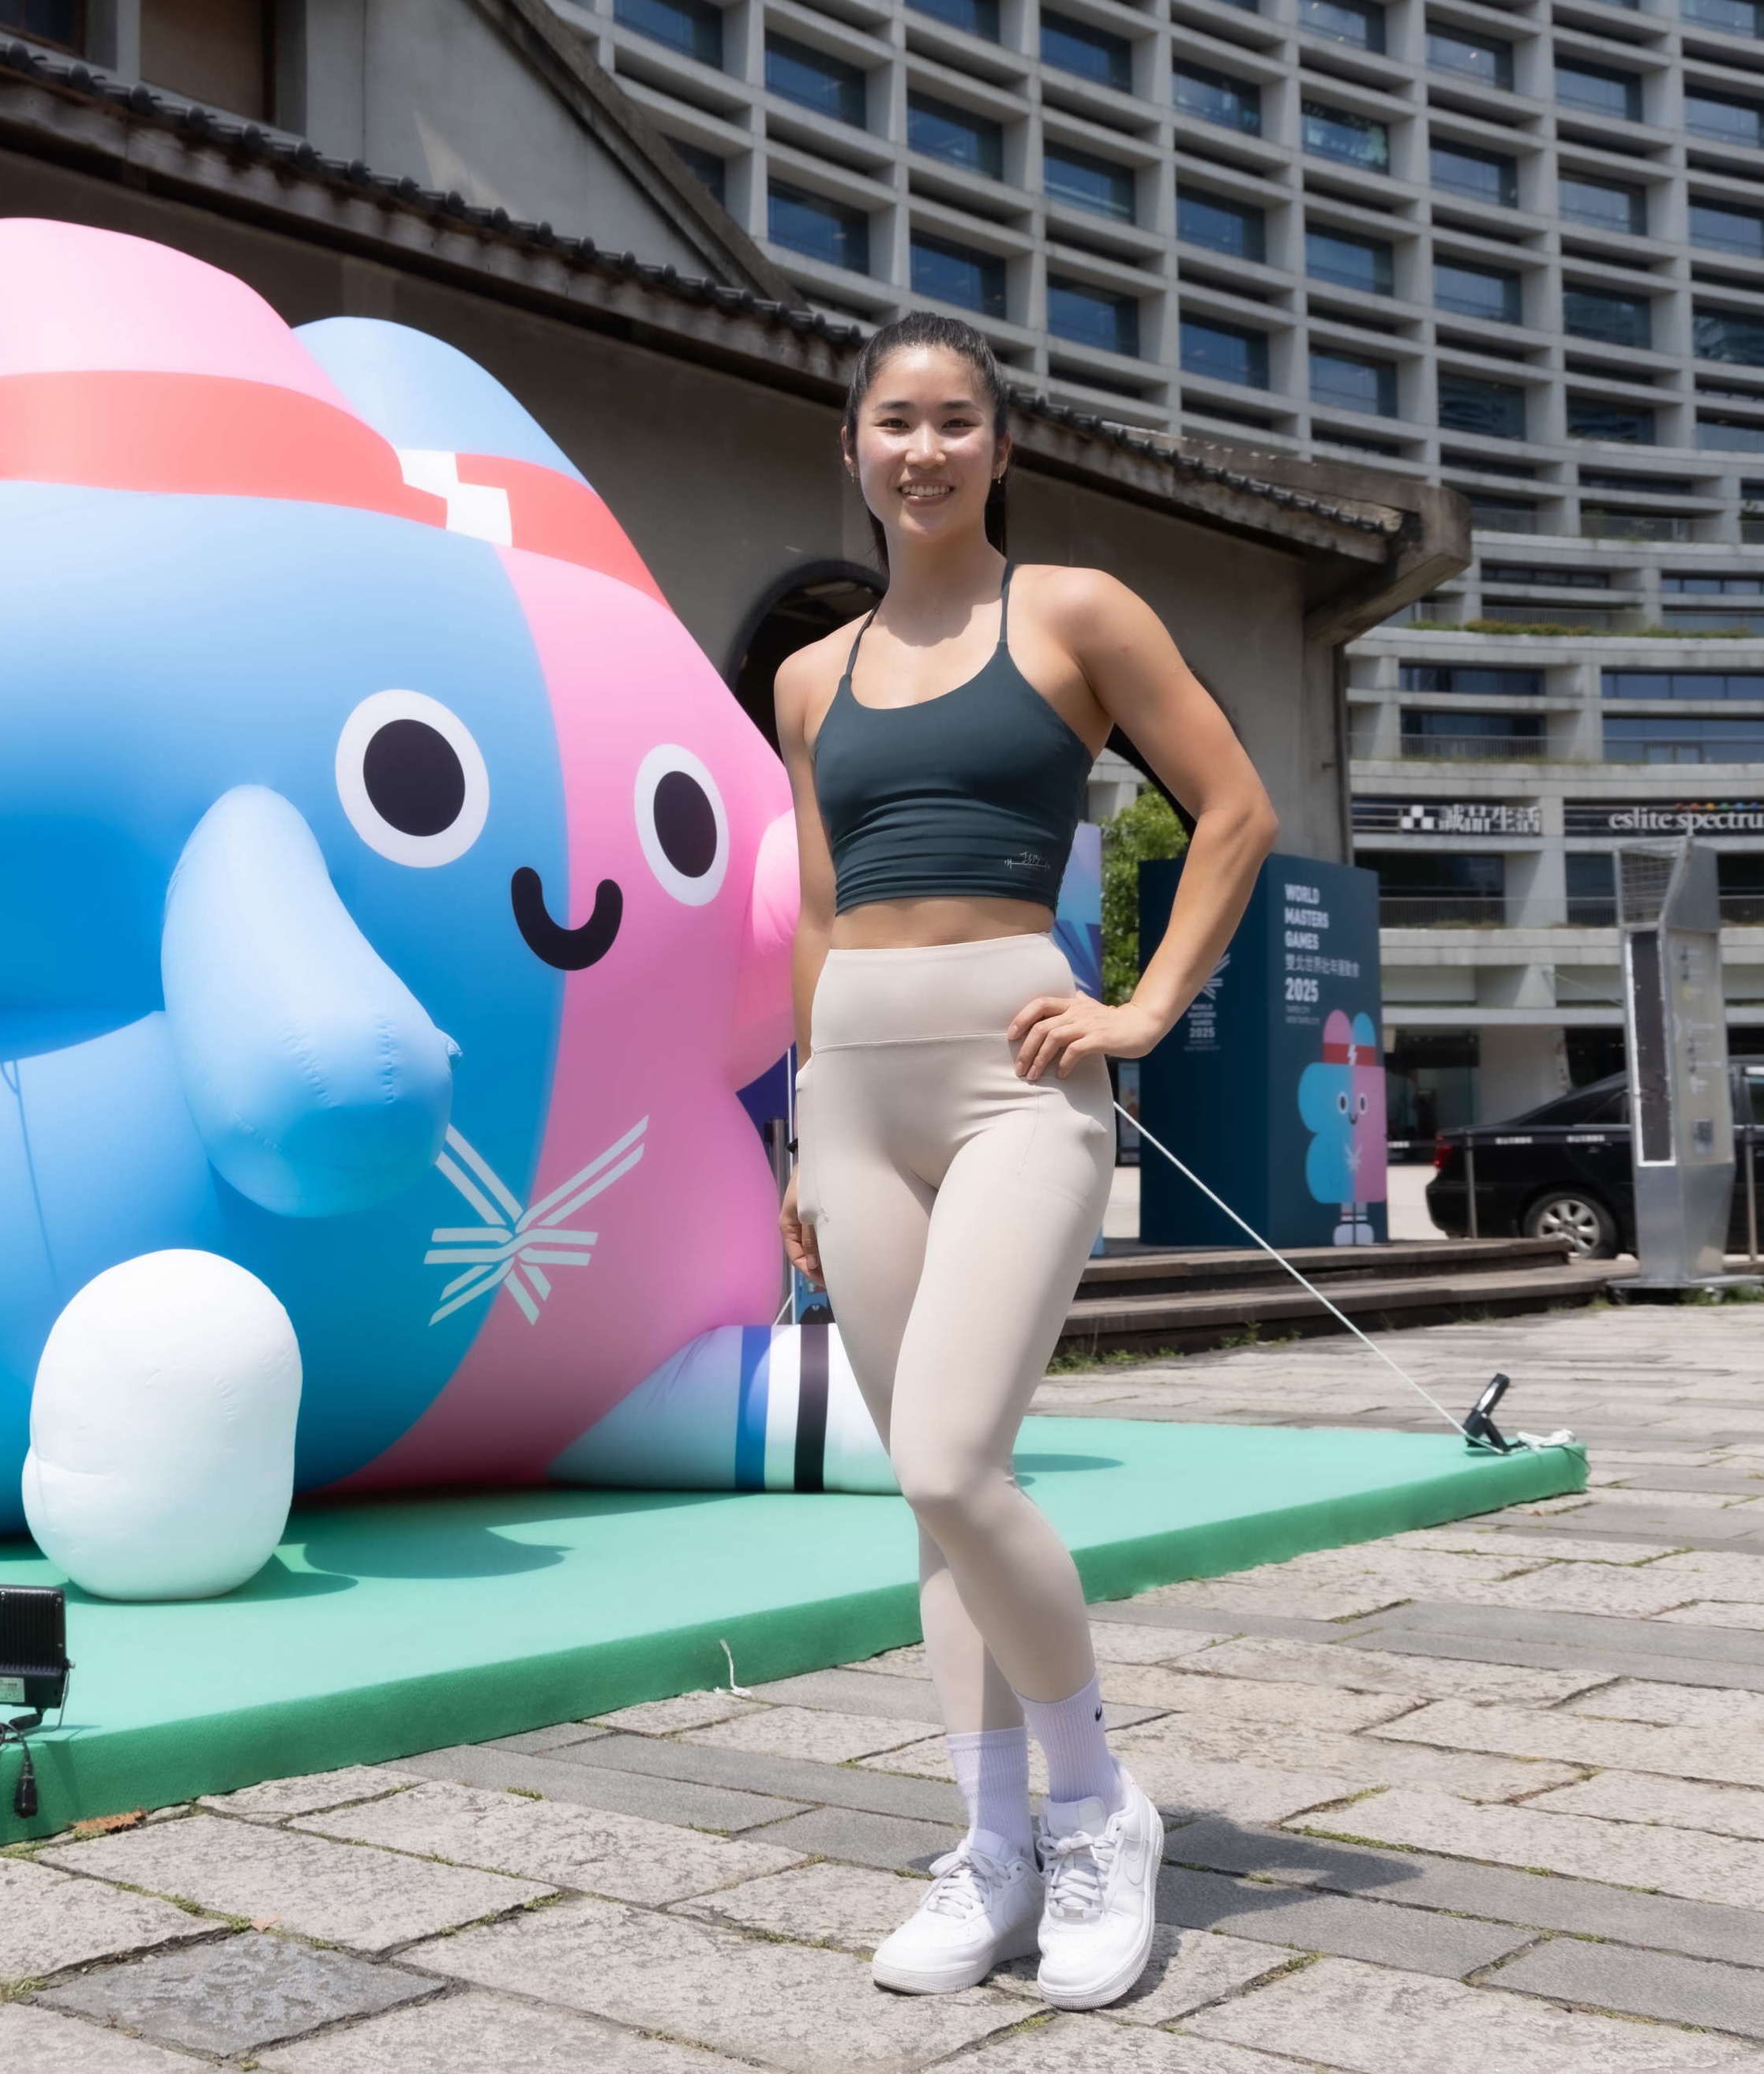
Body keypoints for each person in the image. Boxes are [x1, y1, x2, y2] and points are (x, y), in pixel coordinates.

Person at [770, 312, 1277, 2011]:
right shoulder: (809, 679)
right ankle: (989, 1850)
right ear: (851, 448)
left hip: (1016, 1078)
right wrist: (797, 1122)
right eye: (893, 422)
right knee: (932, 1517)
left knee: (952, 1465)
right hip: (853, 1093)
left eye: (956, 423)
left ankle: (1094, 1813)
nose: (923, 450)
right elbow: (822, 910)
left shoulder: (1068, 611)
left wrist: (1139, 1009)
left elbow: (1233, 809)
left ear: (1001, 447)